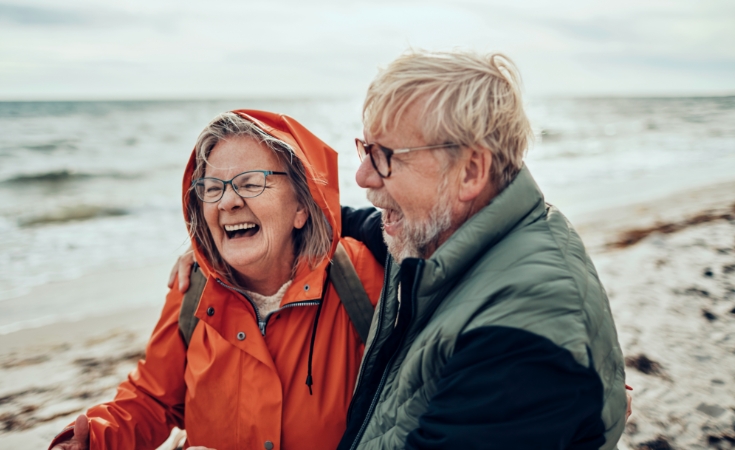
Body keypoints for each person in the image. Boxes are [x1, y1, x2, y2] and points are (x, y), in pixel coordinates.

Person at [332, 50, 628, 449]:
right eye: (364, 150)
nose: (363, 176)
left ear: (470, 171)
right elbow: (371, 227)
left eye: (384, 157)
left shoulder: (524, 329)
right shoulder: (453, 238)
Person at [48, 110, 384, 450]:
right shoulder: (193, 288)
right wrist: (94, 440)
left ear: (301, 206)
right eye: (211, 188)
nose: (227, 202)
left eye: (251, 183)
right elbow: (152, 400)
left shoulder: (358, 276)